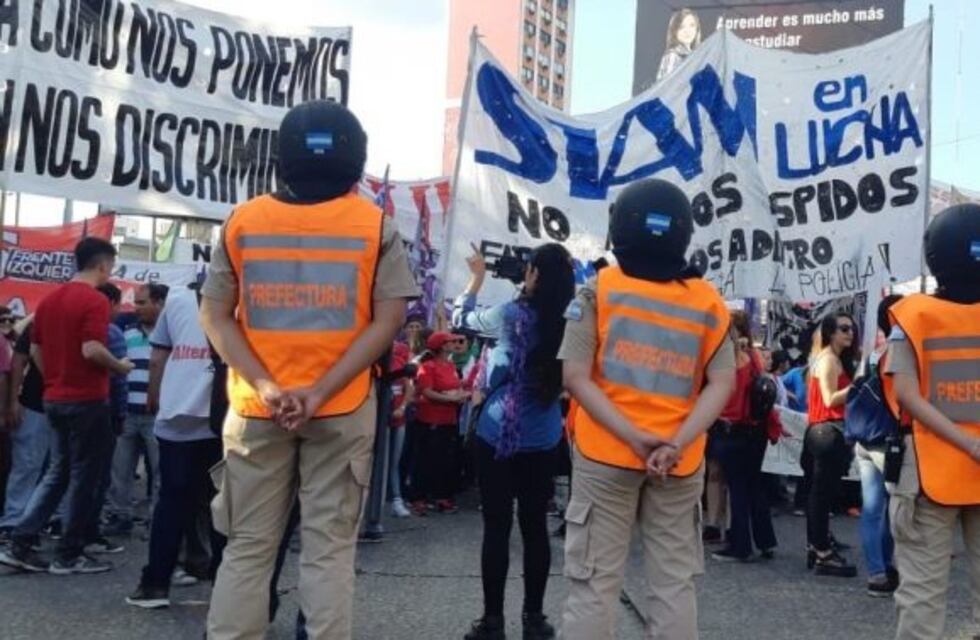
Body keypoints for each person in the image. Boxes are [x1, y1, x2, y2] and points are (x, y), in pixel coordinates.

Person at [200, 100, 417, 640]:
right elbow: (388, 320)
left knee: (247, 548)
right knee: (328, 554)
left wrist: (270, 386)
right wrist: (318, 392)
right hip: (341, 408)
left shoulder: (243, 221)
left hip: (256, 409)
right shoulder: (375, 227)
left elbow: (215, 316)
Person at [559, 179, 735, 640]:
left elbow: (574, 376)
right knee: (674, 587)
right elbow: (723, 384)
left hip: (605, 456)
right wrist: (676, 442)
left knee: (594, 585)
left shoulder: (597, 291)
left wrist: (634, 438)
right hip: (679, 464)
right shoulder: (708, 303)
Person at [454, 242, 576, 640]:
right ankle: (535, 619)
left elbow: (463, 318)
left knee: (496, 526)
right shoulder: (573, 321)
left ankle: (492, 621)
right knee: (535, 526)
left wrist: (476, 278)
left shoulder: (509, 315)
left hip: (497, 435)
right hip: (543, 437)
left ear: (534, 275)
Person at [0, 238, 132, 575]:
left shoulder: (49, 300)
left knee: (57, 472)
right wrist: (120, 366)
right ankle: (68, 554)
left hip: (54, 398)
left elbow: (36, 350)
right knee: (84, 477)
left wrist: (54, 379)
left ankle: (21, 541)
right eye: (110, 267)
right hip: (86, 399)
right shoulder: (94, 300)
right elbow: (91, 349)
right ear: (103, 265)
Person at [883, 203, 980, 639]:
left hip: (927, 471)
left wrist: (966, 443)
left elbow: (906, 395)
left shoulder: (913, 315)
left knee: (922, 595)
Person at [126, 285, 223, 609]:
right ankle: (225, 590)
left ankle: (155, 584)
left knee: (171, 500)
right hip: (224, 417)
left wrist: (155, 396)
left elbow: (158, 357)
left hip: (179, 416)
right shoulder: (244, 297)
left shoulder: (179, 299)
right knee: (224, 505)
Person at [710, 311, 778, 563]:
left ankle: (740, 545)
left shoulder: (725, 359)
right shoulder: (754, 357)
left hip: (732, 429)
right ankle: (765, 541)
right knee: (754, 486)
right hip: (755, 430)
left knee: (737, 488)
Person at [105, 283, 168, 536]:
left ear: (160, 303)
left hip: (157, 415)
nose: (136, 308)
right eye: (136, 303)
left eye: (142, 303)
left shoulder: (172, 334)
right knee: (120, 470)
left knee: (161, 470)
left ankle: (158, 520)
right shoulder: (126, 331)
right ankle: (120, 516)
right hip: (127, 412)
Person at [853, 294, 903, 598]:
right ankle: (886, 567)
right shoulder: (900, 352)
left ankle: (877, 571)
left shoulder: (875, 354)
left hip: (865, 437)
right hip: (889, 440)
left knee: (873, 508)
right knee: (892, 507)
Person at [805, 312, 858, 577]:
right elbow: (829, 399)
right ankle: (822, 551)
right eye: (844, 328)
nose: (850, 333)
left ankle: (818, 546)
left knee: (820, 494)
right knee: (821, 495)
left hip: (825, 432)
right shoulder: (828, 360)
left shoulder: (831, 358)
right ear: (830, 332)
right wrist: (858, 385)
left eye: (851, 328)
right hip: (826, 430)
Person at [411, 331, 469, 515]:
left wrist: (461, 393)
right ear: (443, 346)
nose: (456, 343)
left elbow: (456, 386)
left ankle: (440, 496)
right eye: (451, 341)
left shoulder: (450, 365)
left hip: (448, 419)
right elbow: (426, 392)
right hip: (430, 419)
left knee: (445, 460)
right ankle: (418, 498)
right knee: (425, 459)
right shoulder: (428, 366)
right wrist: (451, 399)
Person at [0, 317, 47, 537]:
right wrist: (13, 402)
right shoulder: (39, 324)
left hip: (64, 404)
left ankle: (45, 518)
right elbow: (18, 361)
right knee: (27, 463)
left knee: (50, 466)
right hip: (35, 402)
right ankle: (14, 519)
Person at [388, 342, 416, 519]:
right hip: (378, 422)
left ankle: (396, 500)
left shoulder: (398, 361)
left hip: (398, 420)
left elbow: (409, 387)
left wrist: (402, 407)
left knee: (393, 462)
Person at [655, 8, 702, 82]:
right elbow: (667, 87)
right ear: (674, 30)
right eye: (681, 27)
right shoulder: (673, 55)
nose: (687, 31)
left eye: (692, 25)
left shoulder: (695, 55)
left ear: (697, 29)